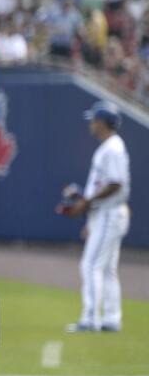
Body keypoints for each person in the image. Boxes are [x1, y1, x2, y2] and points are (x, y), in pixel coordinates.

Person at [59, 101, 130, 332]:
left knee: (90, 265)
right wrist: (86, 205)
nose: (92, 123)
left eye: (95, 120)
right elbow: (106, 185)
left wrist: (85, 203)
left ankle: (91, 319)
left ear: (102, 122)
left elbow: (115, 184)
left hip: (109, 212)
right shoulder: (109, 147)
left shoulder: (113, 148)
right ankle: (111, 318)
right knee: (107, 268)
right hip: (106, 212)